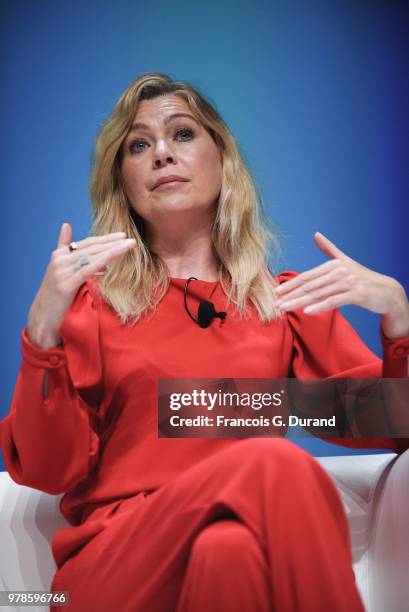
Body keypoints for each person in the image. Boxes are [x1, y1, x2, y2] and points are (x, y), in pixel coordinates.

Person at [1, 72, 408, 612]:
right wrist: (42, 332)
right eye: (139, 145)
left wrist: (400, 319)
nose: (162, 154)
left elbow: (393, 426)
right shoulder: (92, 306)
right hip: (115, 565)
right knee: (276, 465)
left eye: (182, 134)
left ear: (224, 161)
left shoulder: (280, 306)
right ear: (122, 180)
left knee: (230, 551)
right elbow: (48, 471)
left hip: (221, 546)